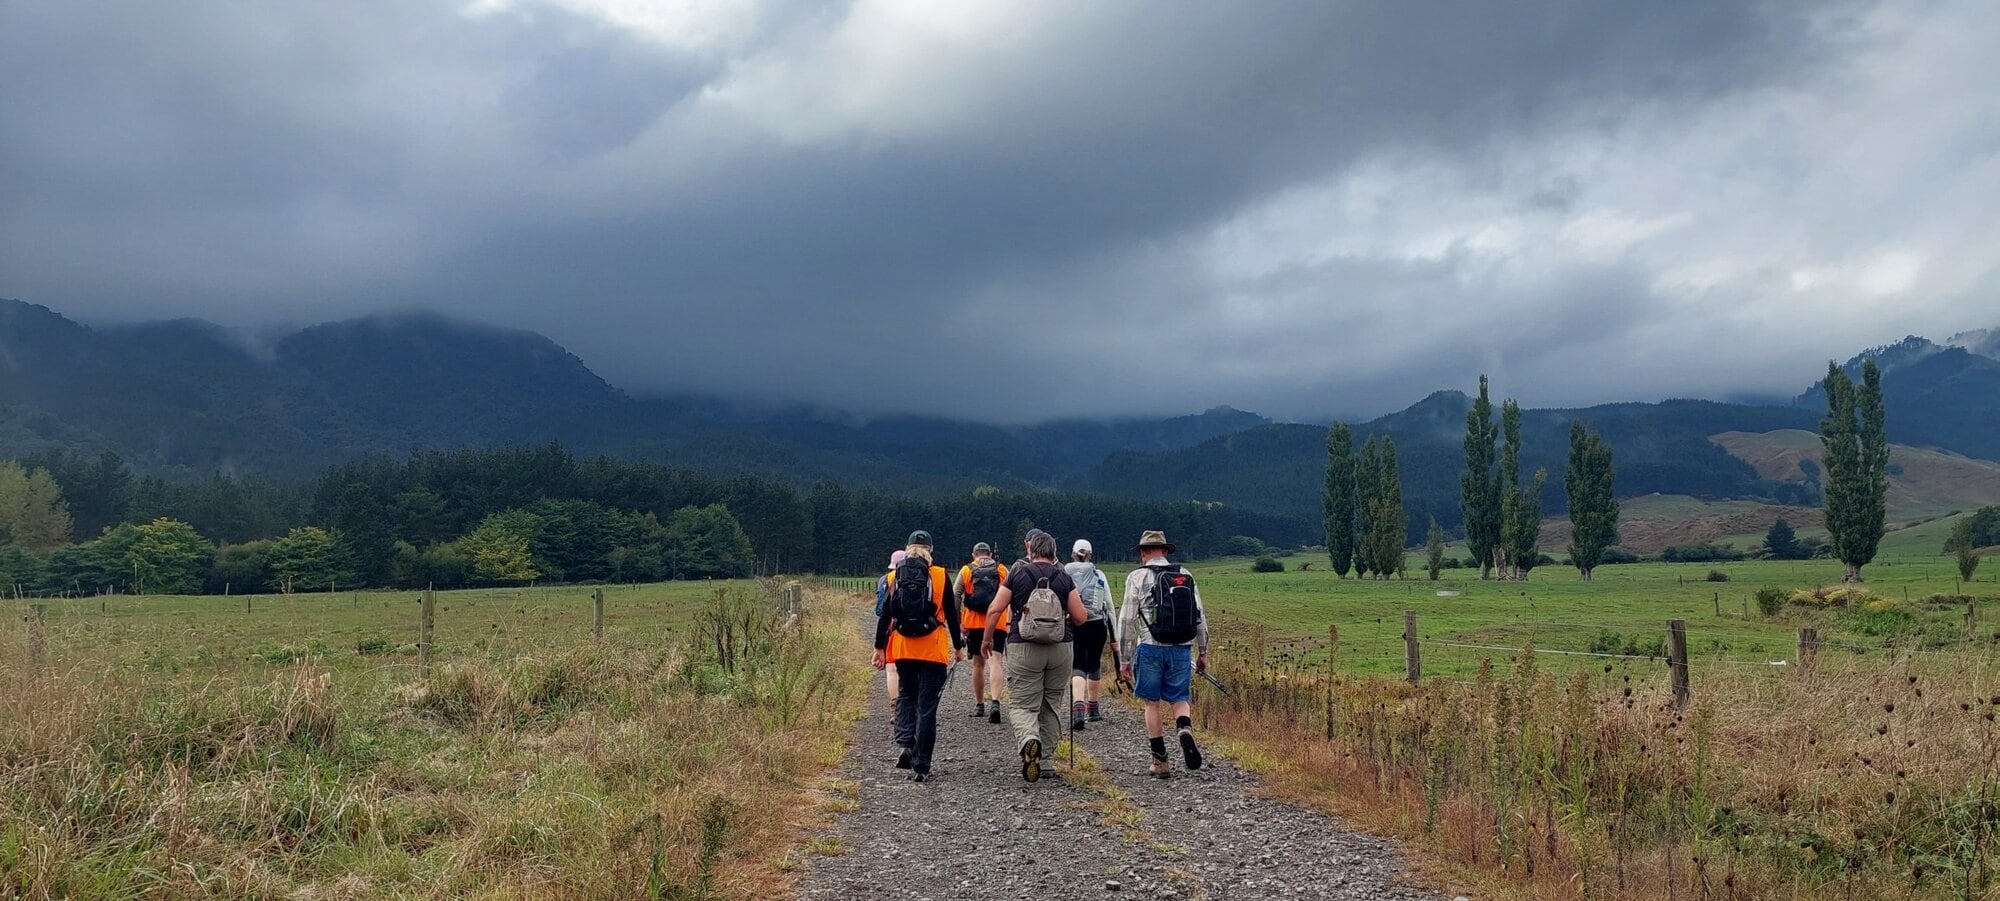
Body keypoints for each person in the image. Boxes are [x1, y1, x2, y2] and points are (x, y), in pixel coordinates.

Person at [984, 528, 1089, 782]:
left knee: (1022, 703)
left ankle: (1030, 740)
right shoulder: (1063, 576)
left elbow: (995, 609)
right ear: (1054, 552)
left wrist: (987, 639)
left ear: (1030, 549)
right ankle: (1047, 763)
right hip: (1060, 647)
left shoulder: (1018, 574)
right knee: (1051, 704)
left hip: (1024, 646)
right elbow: (1081, 616)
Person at [1117, 530, 1209, 779]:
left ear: (1143, 552)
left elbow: (1126, 620)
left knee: (1152, 703)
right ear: (1166, 551)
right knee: (1179, 698)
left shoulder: (1137, 577)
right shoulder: (1185, 574)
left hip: (1150, 648)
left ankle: (1160, 762)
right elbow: (1199, 616)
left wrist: (1124, 659)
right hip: (1181, 648)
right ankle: (1184, 729)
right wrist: (1203, 652)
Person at [873, 531, 964, 782]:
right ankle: (922, 765)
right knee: (927, 708)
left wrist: (879, 647)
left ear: (908, 548)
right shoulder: (939, 574)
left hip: (903, 649)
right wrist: (958, 646)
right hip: (932, 650)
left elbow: (886, 615)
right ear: (930, 550)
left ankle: (905, 744)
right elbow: (952, 614)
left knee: (906, 695)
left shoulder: (894, 576)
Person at [954, 542, 1009, 723]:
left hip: (974, 623)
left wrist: (958, 622)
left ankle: (979, 705)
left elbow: (956, 594)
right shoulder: (1001, 570)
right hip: (998, 622)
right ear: (990, 555)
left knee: (978, 664)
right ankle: (995, 702)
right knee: (996, 661)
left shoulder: (966, 570)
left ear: (974, 554)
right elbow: (1011, 593)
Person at [1065, 539, 1114, 731]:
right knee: (1094, 663)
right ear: (1090, 555)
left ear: (1073, 553)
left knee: (1078, 664)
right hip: (1097, 626)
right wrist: (1114, 636)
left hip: (1073, 624)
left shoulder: (1065, 573)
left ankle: (1078, 706)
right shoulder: (1098, 574)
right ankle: (1093, 708)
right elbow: (1108, 606)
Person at [875, 549, 907, 708]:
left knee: (891, 668)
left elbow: (880, 610)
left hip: (888, 628)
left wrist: (878, 644)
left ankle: (895, 706)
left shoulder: (883, 580)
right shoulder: (912, 577)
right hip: (905, 628)